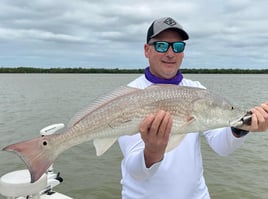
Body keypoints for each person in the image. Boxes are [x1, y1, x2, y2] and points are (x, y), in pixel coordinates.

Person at [118, 17, 268, 199]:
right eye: (162, 46)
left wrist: (241, 127)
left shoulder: (198, 91)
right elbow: (136, 172)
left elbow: (222, 146)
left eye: (178, 46)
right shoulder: (127, 98)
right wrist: (152, 152)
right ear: (146, 50)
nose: (170, 53)